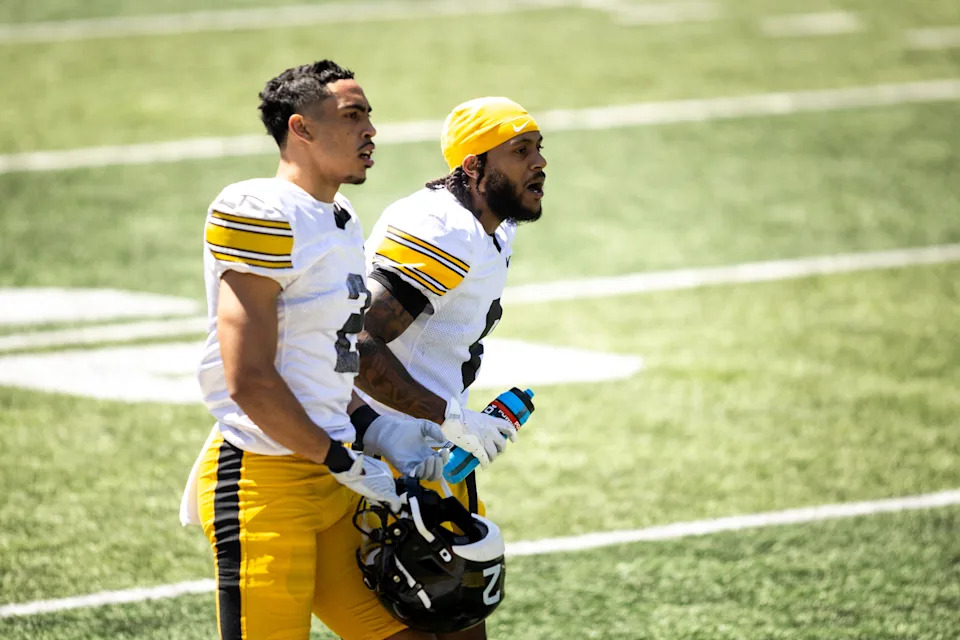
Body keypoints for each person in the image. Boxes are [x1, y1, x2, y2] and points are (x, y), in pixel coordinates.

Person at [179, 60, 446, 640]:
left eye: (370, 115)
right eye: (353, 117)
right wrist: (339, 457)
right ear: (300, 128)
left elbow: (325, 359)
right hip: (265, 483)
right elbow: (247, 378)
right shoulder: (258, 209)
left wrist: (373, 428)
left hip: (333, 477)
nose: (370, 130)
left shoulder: (342, 217)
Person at [354, 97, 547, 640]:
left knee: (463, 616)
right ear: (473, 165)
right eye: (520, 151)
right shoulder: (442, 227)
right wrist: (447, 415)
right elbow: (356, 347)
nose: (539, 163)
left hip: (434, 451)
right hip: (386, 452)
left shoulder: (493, 226)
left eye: (538, 150)